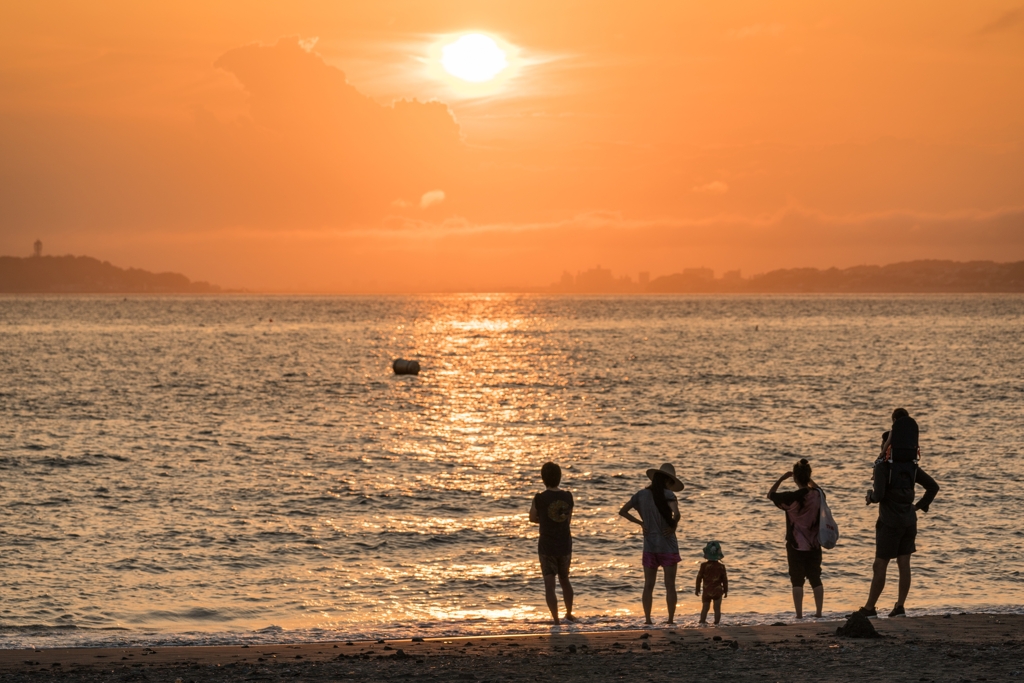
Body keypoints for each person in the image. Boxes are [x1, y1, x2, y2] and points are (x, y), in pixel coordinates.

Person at [851, 408, 940, 618]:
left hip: (890, 523)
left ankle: (870, 608)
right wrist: (919, 506)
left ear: (886, 445)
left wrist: (870, 498)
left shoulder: (883, 467)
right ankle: (900, 607)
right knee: (904, 564)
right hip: (909, 520)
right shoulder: (912, 467)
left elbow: (879, 495)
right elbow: (933, 487)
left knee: (880, 563)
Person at [618, 463, 684, 624]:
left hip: (650, 546)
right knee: (670, 585)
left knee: (648, 586)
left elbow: (623, 511)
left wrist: (641, 523)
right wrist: (672, 526)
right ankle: (670, 620)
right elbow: (677, 514)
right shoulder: (669, 494)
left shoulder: (640, 495)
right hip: (668, 546)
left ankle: (648, 620)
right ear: (668, 481)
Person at [767, 458, 824, 619]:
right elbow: (819, 489)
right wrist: (807, 478)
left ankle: (799, 615)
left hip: (795, 544)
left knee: (797, 580)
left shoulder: (791, 497)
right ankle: (819, 613)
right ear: (809, 475)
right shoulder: (817, 494)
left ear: (795, 478)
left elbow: (770, 494)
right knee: (815, 577)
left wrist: (781, 478)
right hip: (814, 543)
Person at [528, 461, 576, 625]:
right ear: (559, 477)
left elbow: (532, 518)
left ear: (543, 479)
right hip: (564, 543)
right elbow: (567, 519)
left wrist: (544, 520)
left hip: (547, 545)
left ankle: (556, 620)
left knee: (550, 584)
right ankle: (569, 614)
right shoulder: (568, 496)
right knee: (565, 580)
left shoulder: (540, 498)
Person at [695, 541, 728, 625]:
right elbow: (724, 579)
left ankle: (702, 621)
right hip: (717, 590)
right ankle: (716, 623)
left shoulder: (703, 566)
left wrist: (697, 589)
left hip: (706, 590)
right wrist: (726, 590)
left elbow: (699, 578)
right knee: (717, 608)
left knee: (705, 607)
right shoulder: (721, 566)